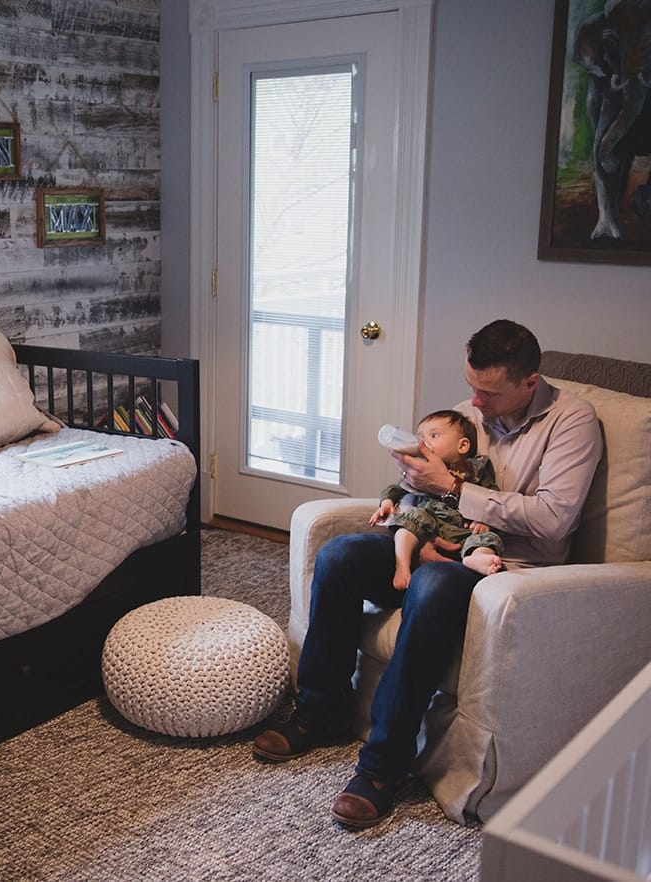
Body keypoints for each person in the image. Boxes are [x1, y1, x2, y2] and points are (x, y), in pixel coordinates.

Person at [253, 319, 604, 829]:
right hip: (435, 541)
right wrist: (412, 497)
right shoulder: (468, 414)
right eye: (470, 386)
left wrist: (455, 490)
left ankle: (382, 766)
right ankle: (321, 709)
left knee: (433, 584)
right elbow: (425, 490)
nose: (474, 404)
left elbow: (554, 521)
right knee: (341, 556)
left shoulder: (573, 423)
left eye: (488, 392)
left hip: (503, 566)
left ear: (530, 383)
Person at [372, 410, 503, 591]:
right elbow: (396, 489)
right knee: (410, 518)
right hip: (427, 523)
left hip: (462, 531)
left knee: (487, 538)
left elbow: (491, 495)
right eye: (420, 437)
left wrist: (483, 519)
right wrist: (386, 502)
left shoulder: (476, 471)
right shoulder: (420, 470)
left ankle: (476, 559)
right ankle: (402, 564)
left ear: (463, 445)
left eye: (434, 436)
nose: (423, 442)